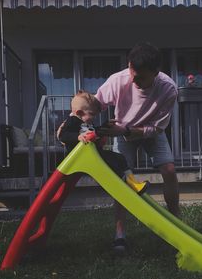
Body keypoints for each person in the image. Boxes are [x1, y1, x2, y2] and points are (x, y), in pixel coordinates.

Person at [95, 42, 180, 251]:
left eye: (140, 76)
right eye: (131, 71)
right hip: (123, 133)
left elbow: (157, 129)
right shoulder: (118, 80)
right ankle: (120, 235)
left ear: (155, 73)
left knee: (169, 170)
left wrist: (126, 131)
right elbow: (94, 104)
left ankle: (176, 222)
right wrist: (74, 118)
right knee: (121, 182)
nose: (133, 79)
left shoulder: (168, 89)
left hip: (149, 132)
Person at [57, 91, 149, 230]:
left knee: (119, 157)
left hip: (94, 154)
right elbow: (64, 135)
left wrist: (106, 126)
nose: (93, 118)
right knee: (113, 162)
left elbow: (96, 131)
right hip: (81, 158)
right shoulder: (73, 121)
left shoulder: (86, 122)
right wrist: (77, 137)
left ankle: (133, 183)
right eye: (92, 115)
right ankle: (126, 181)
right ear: (80, 112)